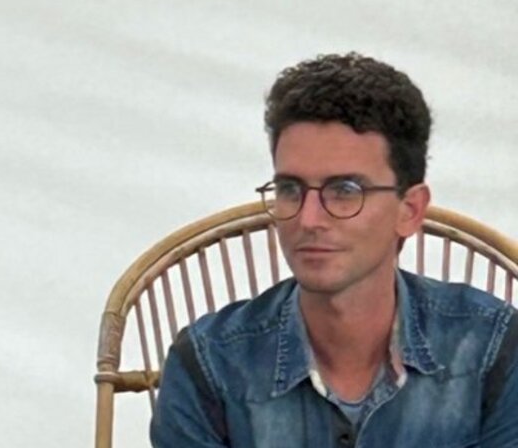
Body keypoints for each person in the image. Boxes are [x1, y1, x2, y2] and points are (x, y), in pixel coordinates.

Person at [152, 52, 518, 447]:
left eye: (345, 191)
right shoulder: (207, 364)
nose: (309, 219)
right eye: (290, 189)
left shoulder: (492, 350)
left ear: (409, 211)